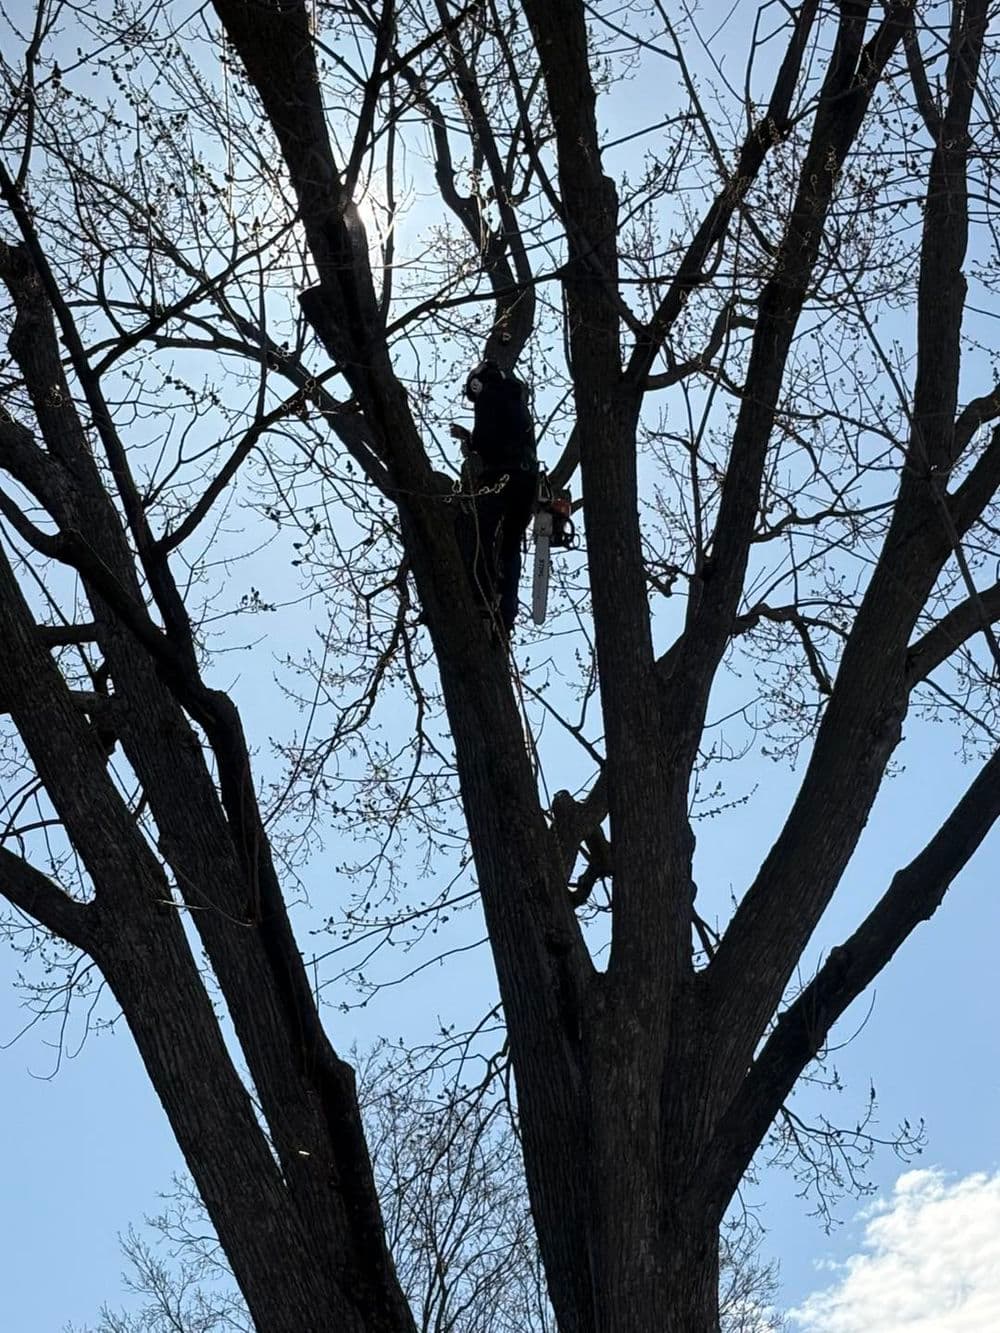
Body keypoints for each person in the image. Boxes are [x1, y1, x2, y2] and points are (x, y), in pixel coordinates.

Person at [450, 359, 538, 634]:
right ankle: (506, 612)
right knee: (511, 546)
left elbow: (488, 438)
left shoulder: (487, 395)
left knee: (481, 533)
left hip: (502, 476)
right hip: (527, 479)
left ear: (476, 383)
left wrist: (472, 446)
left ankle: (483, 597)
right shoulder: (516, 398)